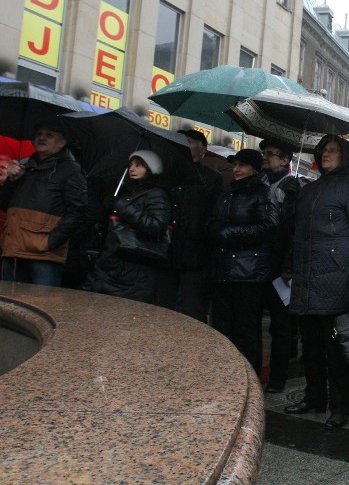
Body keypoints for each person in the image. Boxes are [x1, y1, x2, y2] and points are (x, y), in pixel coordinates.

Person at [284, 135, 349, 431]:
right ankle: (314, 396)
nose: (326, 154)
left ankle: (339, 406)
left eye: (333, 150)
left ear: (345, 155)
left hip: (337, 277)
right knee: (310, 345)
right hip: (307, 277)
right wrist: (291, 198)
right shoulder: (311, 189)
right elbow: (291, 229)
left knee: (336, 349)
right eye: (323, 150)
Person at [208, 149, 279, 374]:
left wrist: (228, 233)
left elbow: (268, 226)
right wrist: (212, 228)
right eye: (236, 165)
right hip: (224, 270)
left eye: (243, 165)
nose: (237, 170)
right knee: (222, 327)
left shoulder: (263, 192)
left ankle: (247, 377)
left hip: (248, 272)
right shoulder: (229, 192)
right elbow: (215, 219)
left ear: (255, 169)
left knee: (245, 329)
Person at [0, 121, 87, 286]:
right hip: (13, 250)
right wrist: (11, 181)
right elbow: (5, 205)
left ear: (61, 143)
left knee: (42, 306)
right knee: (11, 307)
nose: (42, 137)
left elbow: (78, 212)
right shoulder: (25, 167)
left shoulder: (71, 170)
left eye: (49, 135)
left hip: (44, 256)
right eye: (39, 134)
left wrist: (50, 241)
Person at [84, 151, 171, 303]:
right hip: (113, 266)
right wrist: (107, 209)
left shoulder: (156, 194)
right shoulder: (125, 193)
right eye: (130, 165)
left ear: (151, 168)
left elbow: (156, 226)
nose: (132, 169)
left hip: (137, 269)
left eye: (138, 165)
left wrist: (124, 207)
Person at [156, 129, 223, 323]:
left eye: (189, 142)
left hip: (196, 254)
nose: (184, 145)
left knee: (193, 309)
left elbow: (215, 215)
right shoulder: (166, 174)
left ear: (203, 150)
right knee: (163, 307)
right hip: (166, 250)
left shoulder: (212, 178)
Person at [258, 137, 300, 394]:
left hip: (279, 266)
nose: (266, 157)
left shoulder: (291, 187)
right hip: (259, 261)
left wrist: (288, 264)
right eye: (265, 152)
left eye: (272, 154)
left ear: (285, 160)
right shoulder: (261, 182)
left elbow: (292, 229)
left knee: (280, 326)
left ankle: (278, 377)